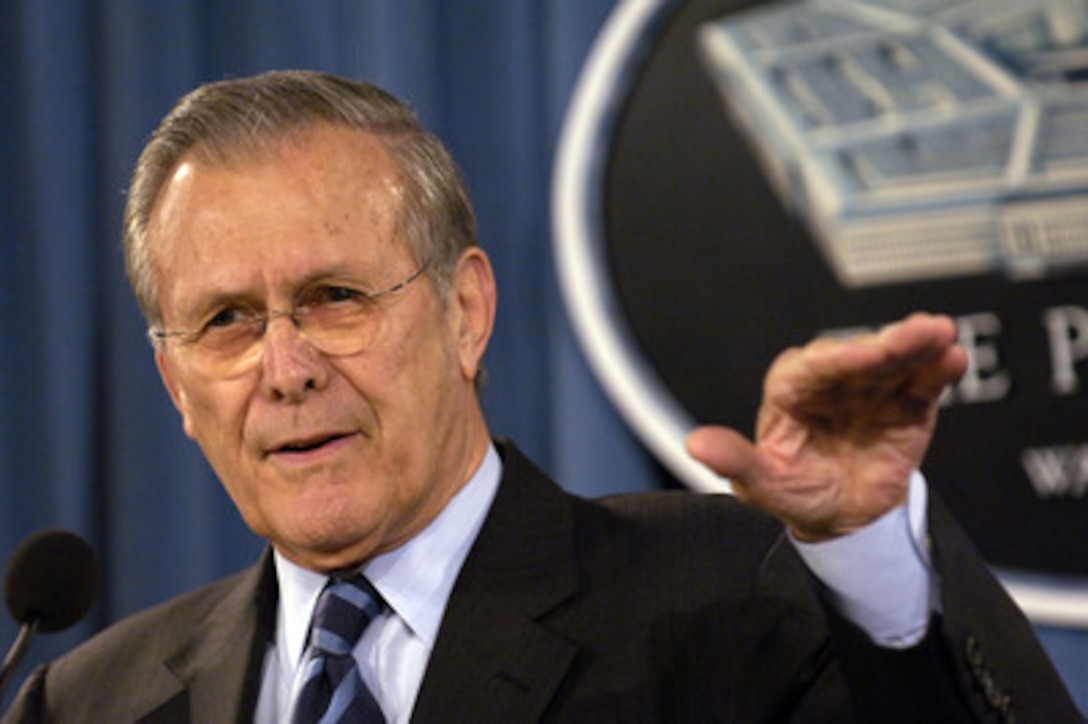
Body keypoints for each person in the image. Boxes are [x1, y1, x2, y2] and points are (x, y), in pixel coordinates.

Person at [2, 69, 1080, 723]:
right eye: (228, 321)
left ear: (465, 312)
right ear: (174, 383)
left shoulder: (741, 602)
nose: (285, 368)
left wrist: (861, 556)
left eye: (333, 297)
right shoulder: (88, 703)